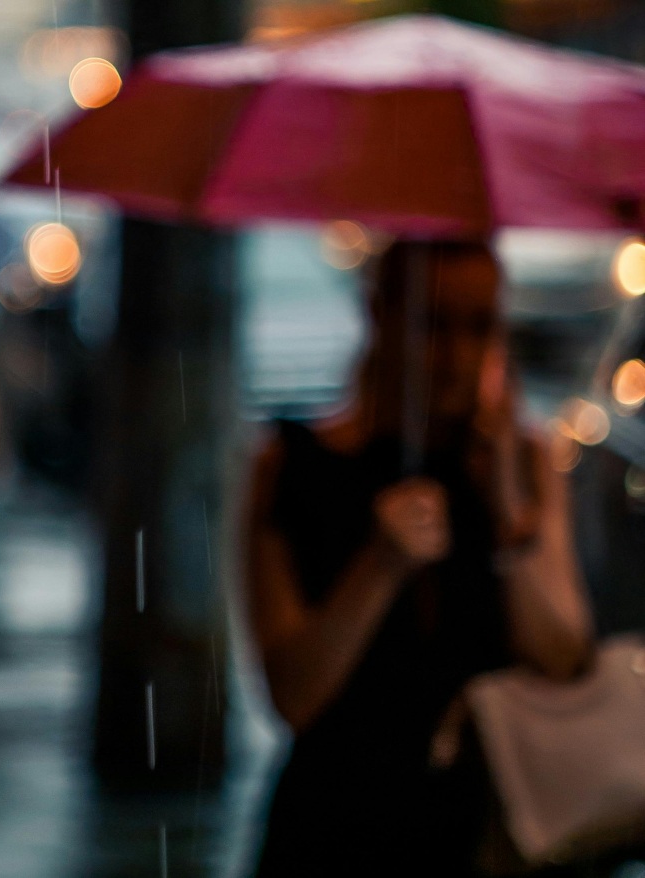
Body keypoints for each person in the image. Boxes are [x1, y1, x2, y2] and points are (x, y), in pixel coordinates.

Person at [241, 240, 594, 876]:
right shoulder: (292, 464)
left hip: (491, 831)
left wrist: (508, 520)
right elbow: (293, 697)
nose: (456, 357)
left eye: (480, 325)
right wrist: (381, 565)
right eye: (432, 324)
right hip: (337, 832)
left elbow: (564, 658)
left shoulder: (521, 464)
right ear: (380, 315)